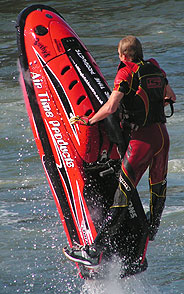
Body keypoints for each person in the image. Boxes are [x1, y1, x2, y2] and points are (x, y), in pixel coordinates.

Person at [63, 36, 176, 268]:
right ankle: (147, 236)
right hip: (162, 137)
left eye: (119, 55)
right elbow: (170, 97)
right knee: (158, 189)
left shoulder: (126, 72)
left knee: (121, 197)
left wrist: (90, 120)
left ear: (124, 56)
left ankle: (94, 251)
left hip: (142, 140)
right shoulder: (155, 68)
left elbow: (112, 106)